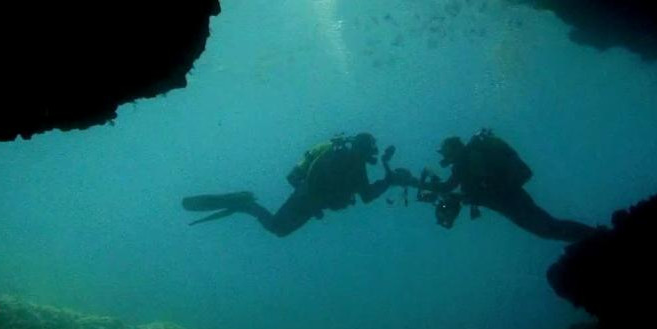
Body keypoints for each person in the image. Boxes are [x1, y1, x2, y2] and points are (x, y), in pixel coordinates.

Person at [183, 132, 416, 237]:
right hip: (306, 200)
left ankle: (245, 205)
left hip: (309, 200)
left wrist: (388, 180)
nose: (369, 155)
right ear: (364, 149)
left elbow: (363, 194)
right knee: (278, 229)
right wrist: (389, 180)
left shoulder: (348, 162)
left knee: (279, 229)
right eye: (369, 150)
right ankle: (245, 205)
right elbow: (366, 195)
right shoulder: (348, 164)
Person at [418, 128, 595, 242]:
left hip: (511, 200)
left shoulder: (467, 161)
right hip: (511, 199)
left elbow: (451, 187)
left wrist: (410, 182)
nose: (445, 157)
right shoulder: (465, 163)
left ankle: (595, 237)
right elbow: (466, 190)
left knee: (548, 228)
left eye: (446, 152)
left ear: (456, 148)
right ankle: (593, 236)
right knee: (548, 229)